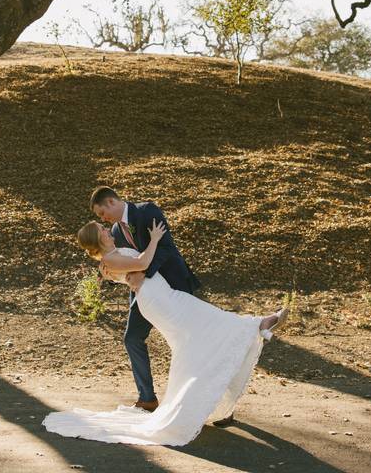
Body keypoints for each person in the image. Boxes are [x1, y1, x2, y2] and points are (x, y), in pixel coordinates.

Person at [41, 217, 287, 446]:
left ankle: (257, 328)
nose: (107, 230)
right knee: (206, 325)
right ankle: (260, 324)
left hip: (163, 295)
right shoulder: (110, 260)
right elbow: (143, 263)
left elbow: (137, 270)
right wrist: (155, 239)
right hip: (158, 300)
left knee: (202, 331)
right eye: (102, 231)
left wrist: (133, 272)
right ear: (99, 241)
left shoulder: (112, 257)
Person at [87, 186, 199, 412]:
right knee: (132, 338)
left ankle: (209, 399)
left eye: (102, 213)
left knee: (192, 341)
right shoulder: (116, 232)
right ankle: (147, 398)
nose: (104, 218)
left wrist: (142, 272)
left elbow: (166, 247)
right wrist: (109, 276)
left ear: (111, 202)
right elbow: (121, 262)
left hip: (173, 284)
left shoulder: (147, 211)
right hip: (145, 295)